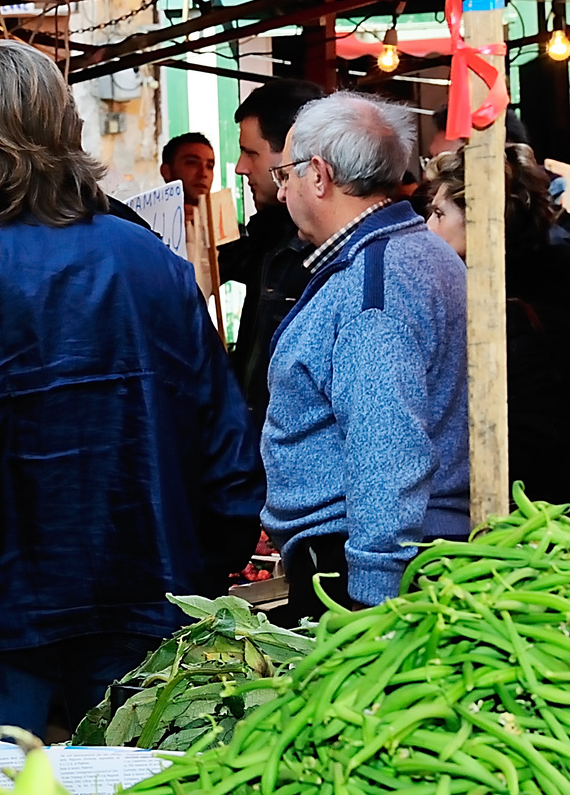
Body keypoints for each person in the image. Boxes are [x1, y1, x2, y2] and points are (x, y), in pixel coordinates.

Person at [0, 40, 262, 739]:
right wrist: (203, 566)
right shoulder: (153, 265)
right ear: (67, 130)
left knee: (1, 782)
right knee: (133, 782)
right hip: (145, 586)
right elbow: (222, 441)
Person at [264, 92, 469, 623]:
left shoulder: (372, 287)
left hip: (362, 569)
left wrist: (373, 596)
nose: (280, 190)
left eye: (284, 174)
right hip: (408, 549)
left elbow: (386, 443)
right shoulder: (418, 251)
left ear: (318, 175)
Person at [422, 143, 570, 504]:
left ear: (478, 220)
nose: (427, 227)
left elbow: (527, 444)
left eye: (439, 214)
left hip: (526, 518)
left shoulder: (505, 317)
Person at [218, 80, 323, 423]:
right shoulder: (268, 238)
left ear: (293, 152)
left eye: (251, 153)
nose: (239, 168)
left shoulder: (318, 251)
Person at [161, 133, 215, 222]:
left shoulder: (227, 228)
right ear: (166, 171)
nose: (203, 173)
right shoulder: (147, 226)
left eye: (210, 166)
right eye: (192, 163)